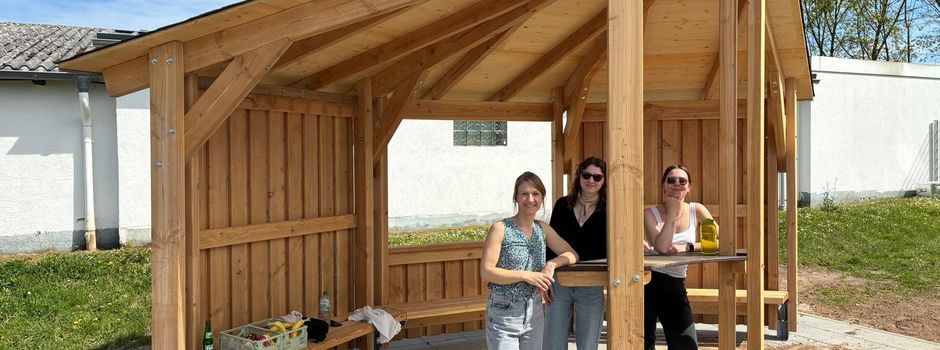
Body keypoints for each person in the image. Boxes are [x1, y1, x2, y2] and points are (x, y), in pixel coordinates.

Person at [481, 171, 579, 350]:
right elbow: (486, 272)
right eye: (524, 194)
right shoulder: (500, 228)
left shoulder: (543, 229)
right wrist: (526, 276)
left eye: (536, 194)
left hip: (534, 311)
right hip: (503, 310)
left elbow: (572, 254)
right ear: (516, 198)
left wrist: (552, 264)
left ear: (542, 198)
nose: (530, 199)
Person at [643, 165, 715, 350]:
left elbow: (717, 242)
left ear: (688, 187)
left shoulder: (696, 210)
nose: (677, 184)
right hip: (647, 283)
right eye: (671, 180)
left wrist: (687, 247)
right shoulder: (651, 214)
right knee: (643, 343)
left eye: (682, 181)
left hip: (675, 285)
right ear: (663, 186)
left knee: (686, 345)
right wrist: (673, 214)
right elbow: (662, 247)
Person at [544, 157, 608, 350]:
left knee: (588, 345)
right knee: (553, 343)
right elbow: (550, 244)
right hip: (560, 281)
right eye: (586, 175)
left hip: (591, 281)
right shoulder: (562, 205)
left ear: (604, 181)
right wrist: (547, 277)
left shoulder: (610, 208)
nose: (591, 180)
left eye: (597, 177)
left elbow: (620, 237)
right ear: (579, 177)